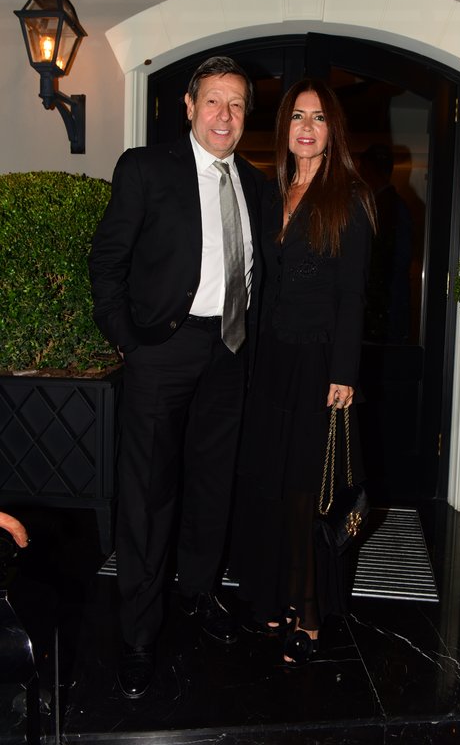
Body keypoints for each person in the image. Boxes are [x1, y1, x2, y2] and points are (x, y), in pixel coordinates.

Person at [88, 55, 264, 699]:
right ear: (189, 106)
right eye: (213, 100)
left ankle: (197, 593)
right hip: (163, 348)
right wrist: (130, 344)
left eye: (237, 104)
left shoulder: (254, 182)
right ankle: (137, 632)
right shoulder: (146, 169)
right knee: (147, 495)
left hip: (229, 350)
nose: (225, 115)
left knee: (212, 486)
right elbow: (106, 262)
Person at [230, 77, 376, 664]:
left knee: (306, 492)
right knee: (267, 484)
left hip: (319, 363)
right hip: (270, 359)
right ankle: (271, 598)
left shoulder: (350, 196)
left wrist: (344, 373)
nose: (307, 127)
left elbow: (353, 294)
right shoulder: (272, 194)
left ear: (332, 129)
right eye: (297, 116)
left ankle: (308, 612)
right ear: (284, 128)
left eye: (317, 117)